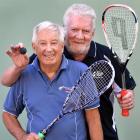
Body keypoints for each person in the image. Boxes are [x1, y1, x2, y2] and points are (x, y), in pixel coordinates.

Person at [1, 3, 136, 140]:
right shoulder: (48, 54)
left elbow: (125, 91)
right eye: (74, 29)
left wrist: (127, 98)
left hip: (105, 134)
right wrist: (17, 67)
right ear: (65, 31)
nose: (79, 36)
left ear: (93, 33)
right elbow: (8, 81)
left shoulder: (106, 57)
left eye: (86, 31)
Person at [2, 21, 103, 140]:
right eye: (43, 43)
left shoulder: (81, 71)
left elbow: (93, 118)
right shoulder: (24, 74)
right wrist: (23, 136)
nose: (48, 49)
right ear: (34, 47)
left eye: (54, 43)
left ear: (61, 46)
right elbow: (8, 114)